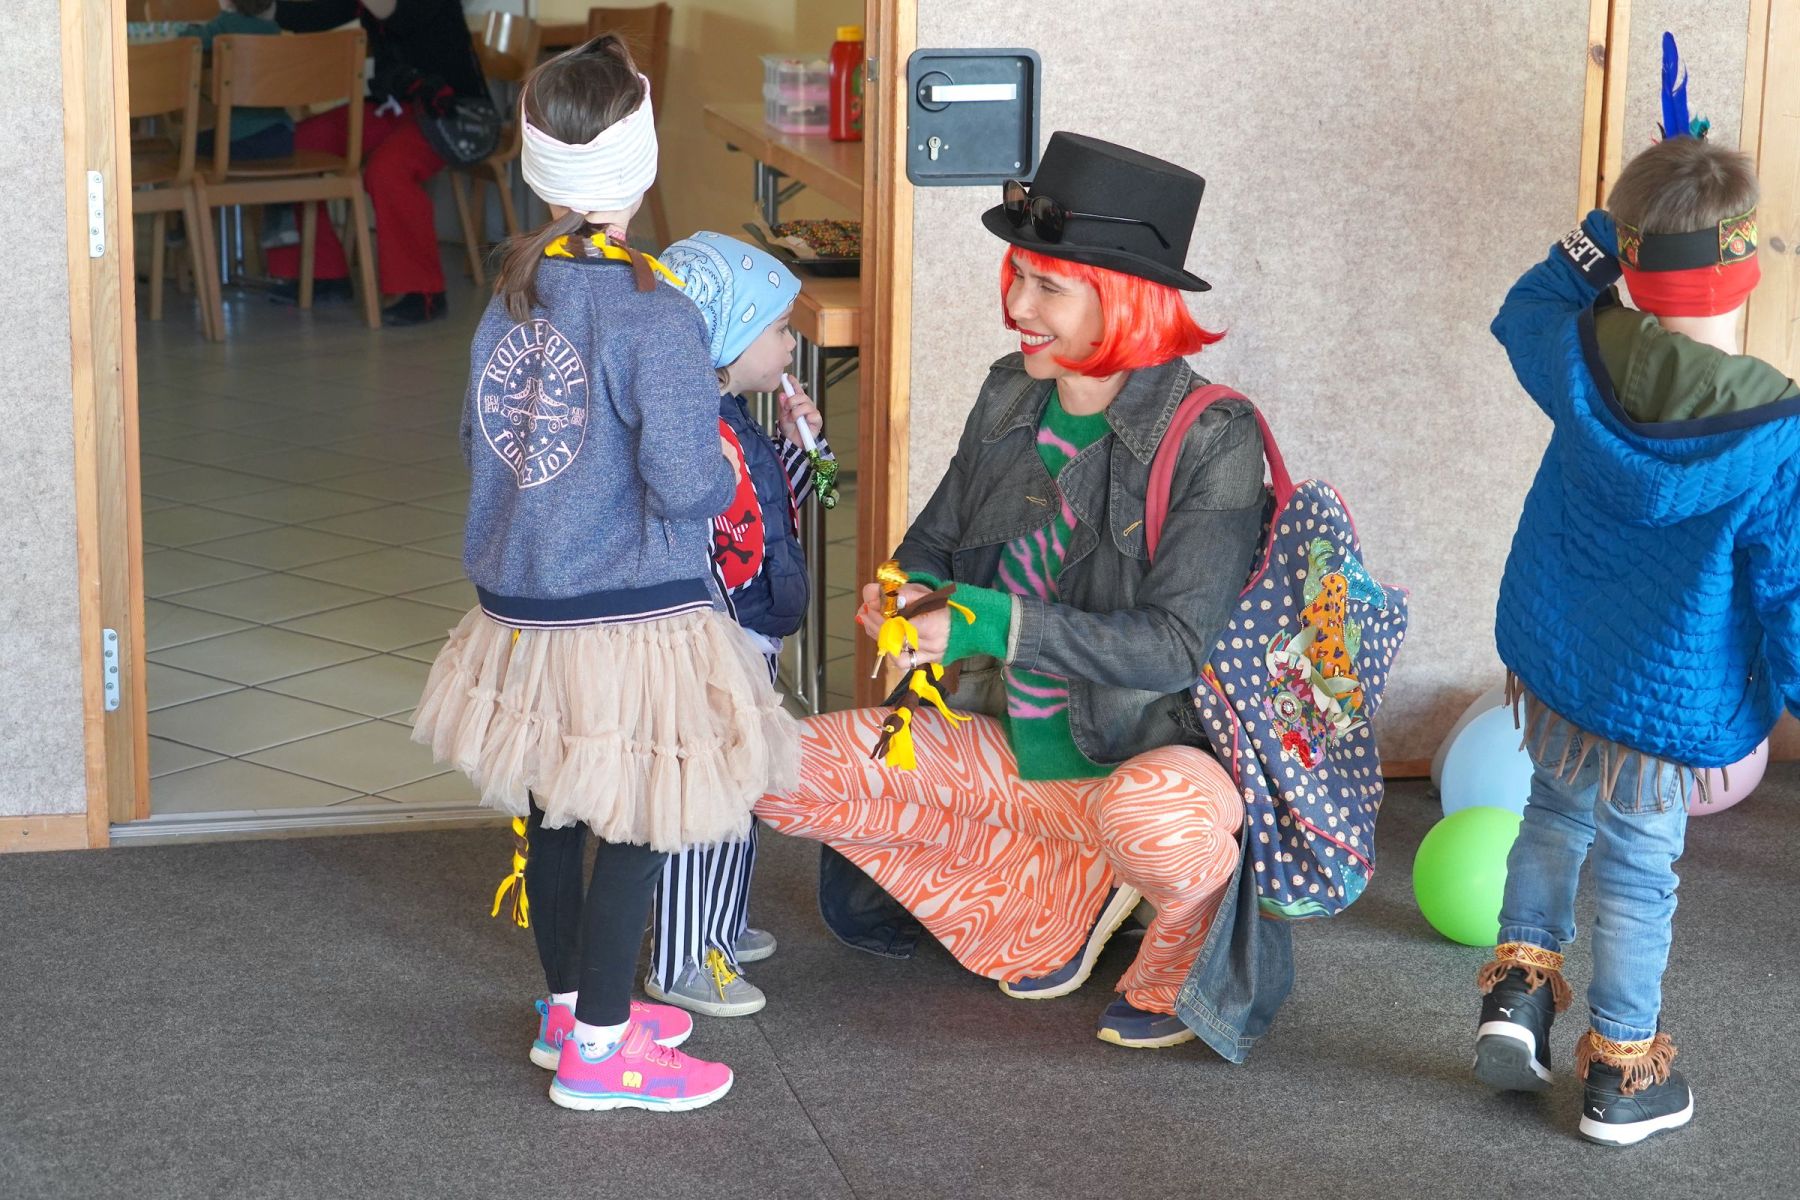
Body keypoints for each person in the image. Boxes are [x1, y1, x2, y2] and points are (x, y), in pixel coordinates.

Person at [756, 132, 1263, 1049]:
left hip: (1142, 763)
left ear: (1125, 298)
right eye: (1018, 277)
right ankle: (1067, 892)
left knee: (1151, 820)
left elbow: (1171, 649)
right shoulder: (1009, 394)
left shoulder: (1213, 437)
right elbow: (931, 545)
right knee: (769, 770)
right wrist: (907, 601)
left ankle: (1176, 936)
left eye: (1048, 287)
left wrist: (980, 620)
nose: (1017, 309)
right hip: (1011, 755)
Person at [411, 37, 798, 1114]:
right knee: (638, 817)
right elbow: (685, 484)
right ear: (643, 161)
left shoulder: (510, 292)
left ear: (539, 167)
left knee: (557, 810)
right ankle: (605, 1048)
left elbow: (479, 439)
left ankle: (570, 1010)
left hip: (524, 606)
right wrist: (720, 462)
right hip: (629, 610)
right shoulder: (655, 312)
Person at [1475, 132, 1800, 1146]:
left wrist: (1603, 235)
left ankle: (1518, 992)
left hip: (1564, 664)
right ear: (1745, 266)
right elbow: (1790, 593)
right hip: (1666, 699)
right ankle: (1621, 1070)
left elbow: (1523, 304)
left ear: (1632, 258)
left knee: (1551, 813)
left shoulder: (1577, 345)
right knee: (1637, 872)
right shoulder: (1778, 431)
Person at [646, 232, 833, 1018]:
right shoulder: (697, 434)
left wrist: (804, 448)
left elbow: (779, 507)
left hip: (753, 638)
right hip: (713, 650)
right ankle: (683, 957)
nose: (790, 346)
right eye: (780, 329)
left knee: (739, 790)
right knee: (706, 801)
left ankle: (719, 925)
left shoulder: (738, 422)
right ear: (727, 337)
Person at [268, 0, 487, 324]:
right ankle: (323, 273)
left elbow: (401, 17)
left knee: (388, 170)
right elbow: (305, 17)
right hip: (393, 107)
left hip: (451, 113)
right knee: (289, 147)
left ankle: (422, 292)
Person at [189, 1, 296, 162]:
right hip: (282, 138)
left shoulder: (224, 24)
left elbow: (192, 40)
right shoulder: (274, 30)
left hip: (237, 141)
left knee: (186, 145)